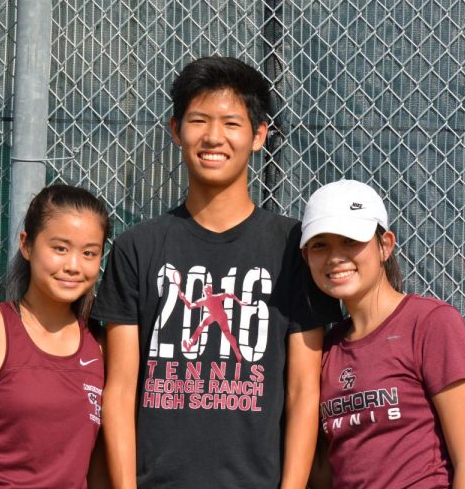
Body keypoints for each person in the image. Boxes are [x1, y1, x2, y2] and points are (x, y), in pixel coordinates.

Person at [91, 56, 340, 488]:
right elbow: (119, 390)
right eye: (199, 120)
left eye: (231, 123)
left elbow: (303, 392)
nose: (213, 137)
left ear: (259, 135)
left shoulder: (291, 248)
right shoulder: (138, 247)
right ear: (175, 130)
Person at [300, 179, 465, 488]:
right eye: (321, 244)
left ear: (385, 245)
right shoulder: (324, 349)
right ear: (306, 257)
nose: (335, 257)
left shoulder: (430, 323)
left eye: (350, 240)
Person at [0, 184, 111, 489]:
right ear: (27, 245)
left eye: (89, 253)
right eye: (60, 248)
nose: (73, 266)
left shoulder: (101, 347)